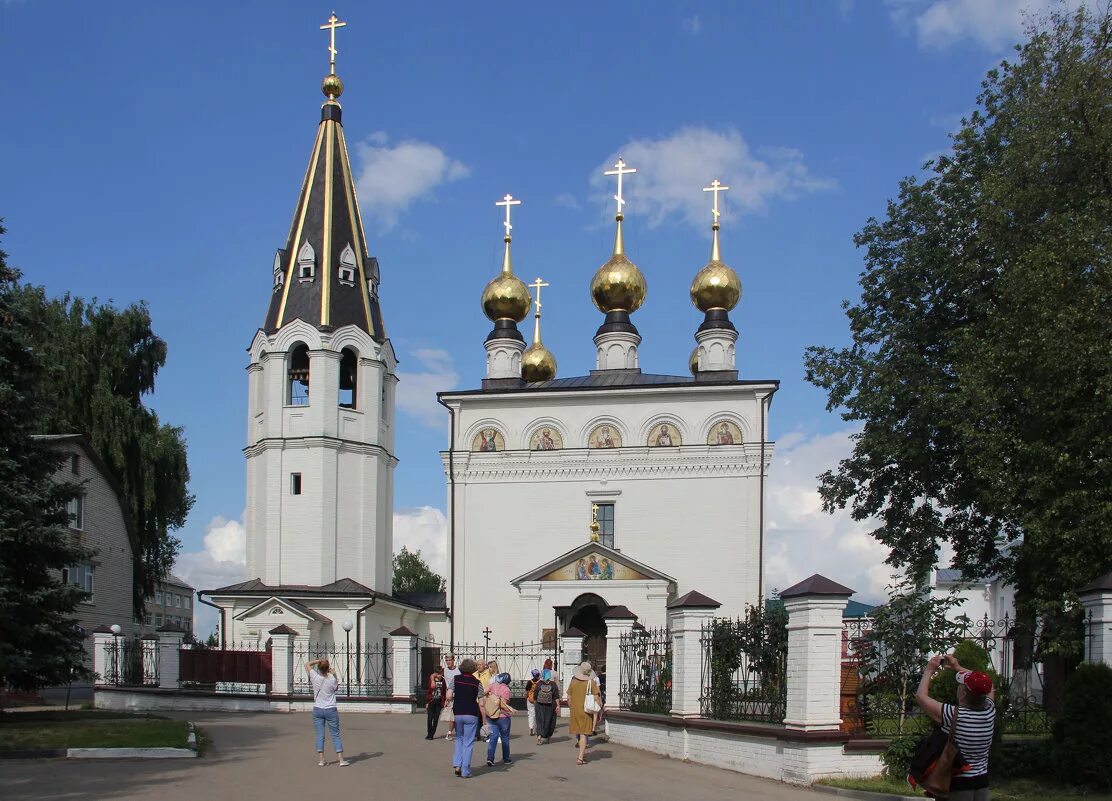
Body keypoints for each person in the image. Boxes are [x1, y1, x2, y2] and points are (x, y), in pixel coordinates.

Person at [914, 654, 996, 800]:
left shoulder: (953, 715)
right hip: (982, 783)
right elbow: (988, 685)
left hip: (958, 784)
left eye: (961, 685)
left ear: (963, 693)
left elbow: (921, 697)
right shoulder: (989, 711)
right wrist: (958, 668)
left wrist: (928, 671)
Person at [306, 658, 349, 767]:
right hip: (331, 709)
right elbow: (336, 688)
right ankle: (341, 760)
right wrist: (334, 674)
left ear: (319, 668)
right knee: (335, 734)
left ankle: (321, 760)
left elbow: (307, 664)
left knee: (320, 735)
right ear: (328, 668)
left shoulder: (315, 677)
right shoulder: (332, 679)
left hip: (318, 709)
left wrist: (317, 661)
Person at [451, 658, 484, 778]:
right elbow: (481, 703)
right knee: (468, 742)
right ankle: (465, 770)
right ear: (473, 669)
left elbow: (449, 695)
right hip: (471, 713)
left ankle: (457, 765)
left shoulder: (456, 679)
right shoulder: (477, 682)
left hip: (458, 713)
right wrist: (484, 720)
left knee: (459, 738)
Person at [567, 661, 602, 766]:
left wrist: (572, 707)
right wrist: (600, 708)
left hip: (575, 711)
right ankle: (580, 758)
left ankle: (583, 753)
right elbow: (596, 697)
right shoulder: (591, 683)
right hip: (586, 711)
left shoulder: (573, 681)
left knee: (580, 733)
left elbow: (569, 697)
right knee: (584, 734)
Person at [484, 672, 514, 767]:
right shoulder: (506, 689)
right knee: (505, 738)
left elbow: (482, 692)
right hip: (503, 717)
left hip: (491, 715)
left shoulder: (492, 686)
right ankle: (506, 759)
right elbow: (504, 704)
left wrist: (489, 698)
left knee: (493, 737)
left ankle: (490, 758)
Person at [533, 668, 560, 744]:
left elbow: (535, 696)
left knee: (540, 720)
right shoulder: (553, 684)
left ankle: (539, 736)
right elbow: (556, 696)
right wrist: (558, 705)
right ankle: (548, 737)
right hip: (550, 705)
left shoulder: (539, 684)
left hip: (539, 705)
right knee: (550, 720)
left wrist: (536, 704)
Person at [442, 654, 461, 741]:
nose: (448, 662)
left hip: (459, 694)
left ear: (453, 660)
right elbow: (437, 676)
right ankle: (449, 733)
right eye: (447, 660)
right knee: (452, 716)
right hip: (450, 695)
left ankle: (458, 733)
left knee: (458, 715)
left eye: (450, 660)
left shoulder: (458, 670)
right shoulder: (444, 670)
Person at [426, 666, 446, 740]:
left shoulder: (443, 681)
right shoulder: (432, 679)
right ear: (435, 673)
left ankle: (432, 734)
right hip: (431, 701)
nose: (439, 675)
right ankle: (429, 733)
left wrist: (444, 702)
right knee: (430, 718)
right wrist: (427, 702)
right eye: (437, 673)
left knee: (436, 718)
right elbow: (429, 691)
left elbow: (444, 692)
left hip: (439, 702)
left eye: (440, 673)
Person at [525, 668, 540, 736]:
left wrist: (526, 697)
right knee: (538, 714)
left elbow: (527, 691)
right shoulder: (540, 682)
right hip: (538, 699)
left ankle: (531, 727)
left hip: (530, 699)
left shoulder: (529, 682)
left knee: (530, 714)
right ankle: (537, 728)